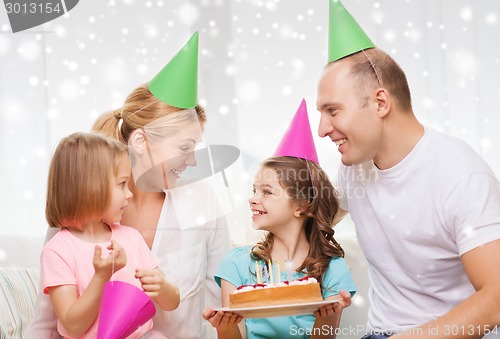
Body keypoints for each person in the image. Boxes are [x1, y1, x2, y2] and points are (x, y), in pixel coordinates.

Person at [26, 32, 231, 339]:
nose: (191, 162)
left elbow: (220, 303)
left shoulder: (203, 201)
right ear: (141, 141)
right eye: (185, 147)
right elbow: (49, 319)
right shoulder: (80, 209)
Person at [316, 1, 500, 338]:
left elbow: (496, 299)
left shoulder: (461, 176)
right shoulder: (354, 169)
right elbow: (313, 222)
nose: (322, 129)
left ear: (380, 103)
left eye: (333, 111)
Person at [203, 99, 356, 339]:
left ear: (301, 205)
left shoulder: (331, 270)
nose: (252, 200)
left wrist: (327, 320)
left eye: (267, 191)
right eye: (254, 190)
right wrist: (226, 328)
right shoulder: (238, 264)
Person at [41, 132, 180, 338]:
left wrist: (163, 287)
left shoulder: (131, 238)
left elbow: (172, 302)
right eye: (122, 184)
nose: (129, 193)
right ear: (90, 187)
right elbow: (73, 325)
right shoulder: (57, 251)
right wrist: (101, 277)